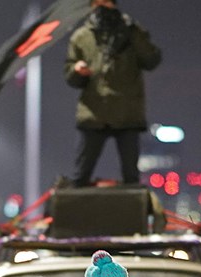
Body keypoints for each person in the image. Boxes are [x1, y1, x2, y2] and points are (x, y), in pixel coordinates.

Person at [65, 0, 161, 187]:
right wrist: (76, 70)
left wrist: (134, 33)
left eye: (106, 2)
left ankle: (132, 213)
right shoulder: (82, 36)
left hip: (127, 112)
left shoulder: (132, 31)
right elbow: (70, 76)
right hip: (94, 111)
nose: (102, 7)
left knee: (131, 177)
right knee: (80, 175)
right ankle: (76, 212)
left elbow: (151, 60)